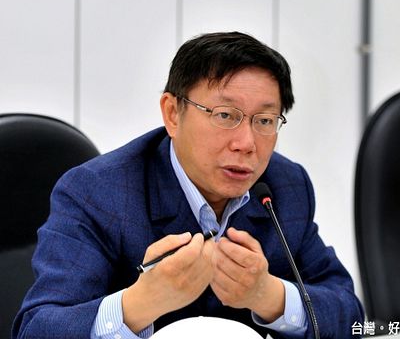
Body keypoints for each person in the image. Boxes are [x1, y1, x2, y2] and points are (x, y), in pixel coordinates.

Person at [13, 32, 364, 338]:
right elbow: (36, 329)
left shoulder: (284, 187)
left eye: (265, 120)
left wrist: (270, 296)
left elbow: (351, 317)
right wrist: (140, 303)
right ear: (172, 113)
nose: (246, 143)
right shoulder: (97, 192)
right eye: (225, 115)